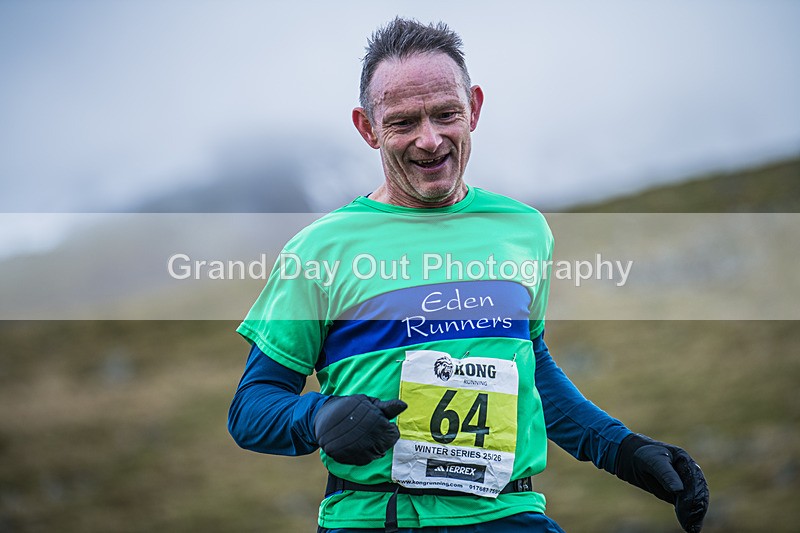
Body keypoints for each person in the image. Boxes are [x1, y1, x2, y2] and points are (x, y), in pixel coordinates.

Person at [228, 17, 709, 533]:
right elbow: (251, 409)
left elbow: (531, 368)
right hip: (375, 517)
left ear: (474, 108)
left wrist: (624, 450)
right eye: (403, 123)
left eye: (446, 114)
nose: (430, 140)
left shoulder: (523, 230)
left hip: (510, 515)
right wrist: (319, 417)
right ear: (367, 128)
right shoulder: (319, 250)